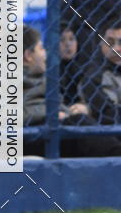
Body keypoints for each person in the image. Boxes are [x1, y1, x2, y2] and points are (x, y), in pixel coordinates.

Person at [22, 25, 121, 157]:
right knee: (80, 122)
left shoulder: (42, 77)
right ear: (28, 55)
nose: (46, 53)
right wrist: (51, 113)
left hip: (52, 126)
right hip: (30, 136)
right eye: (41, 48)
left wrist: (67, 111)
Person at [79, 21, 121, 125]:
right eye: (110, 43)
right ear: (101, 43)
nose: (116, 49)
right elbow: (108, 114)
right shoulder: (94, 76)